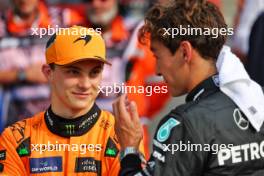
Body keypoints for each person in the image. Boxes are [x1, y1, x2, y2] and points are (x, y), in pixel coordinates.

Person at [113, 0, 264, 175]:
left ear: (185, 52)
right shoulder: (257, 99)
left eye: (157, 56)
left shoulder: (185, 124)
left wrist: (130, 149)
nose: (157, 70)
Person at [0, 26, 144, 175]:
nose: (85, 84)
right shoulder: (15, 139)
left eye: (94, 73)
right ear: (49, 73)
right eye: (74, 72)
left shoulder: (122, 136)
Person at [0, 0, 84, 132]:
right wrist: (23, 75)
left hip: (62, 119)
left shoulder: (65, 19)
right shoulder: (1, 25)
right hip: (15, 122)